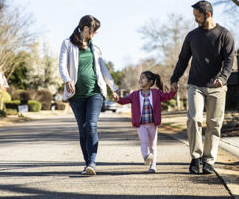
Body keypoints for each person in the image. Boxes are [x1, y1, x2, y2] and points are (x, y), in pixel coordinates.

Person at [170, 0, 235, 174]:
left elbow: (229, 61)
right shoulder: (192, 36)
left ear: (207, 14)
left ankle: (209, 160)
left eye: (197, 16)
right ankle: (196, 157)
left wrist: (223, 77)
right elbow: (183, 59)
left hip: (217, 86)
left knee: (214, 124)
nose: (195, 19)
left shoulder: (224, 35)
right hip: (195, 85)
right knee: (194, 119)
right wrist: (174, 78)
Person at [59, 15, 119, 176]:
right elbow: (62, 65)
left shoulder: (96, 47)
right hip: (76, 95)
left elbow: (103, 69)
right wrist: (68, 79)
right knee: (83, 130)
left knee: (91, 125)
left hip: (95, 92)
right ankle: (88, 164)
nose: (95, 34)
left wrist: (113, 87)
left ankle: (92, 161)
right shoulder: (67, 44)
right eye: (94, 30)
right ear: (86, 28)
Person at [116, 71, 176, 173]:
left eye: (143, 78)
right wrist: (117, 99)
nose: (140, 80)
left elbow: (167, 97)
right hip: (141, 125)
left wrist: (173, 91)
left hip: (153, 124)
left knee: (153, 146)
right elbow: (124, 100)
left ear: (150, 82)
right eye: (140, 77)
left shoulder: (156, 93)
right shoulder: (135, 94)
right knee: (144, 141)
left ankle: (153, 166)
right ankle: (146, 157)